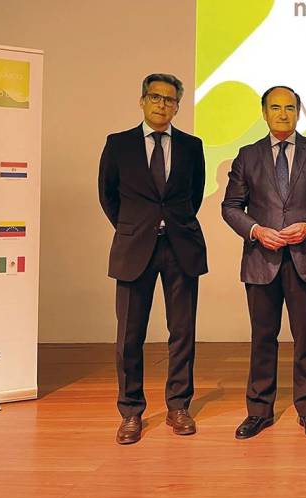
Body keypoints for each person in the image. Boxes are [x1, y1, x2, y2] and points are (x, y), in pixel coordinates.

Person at [222, 85, 306, 439]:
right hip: (261, 260)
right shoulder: (247, 155)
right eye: (275, 108)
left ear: (299, 111)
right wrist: (257, 230)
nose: (282, 114)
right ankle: (259, 411)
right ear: (264, 113)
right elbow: (230, 206)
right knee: (263, 337)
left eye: (289, 108)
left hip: (305, 259)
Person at [99, 73, 207, 445]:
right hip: (135, 248)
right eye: (155, 98)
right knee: (129, 334)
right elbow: (108, 196)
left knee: (182, 332)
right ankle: (131, 411)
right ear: (142, 100)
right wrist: (136, 227)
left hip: (181, 247)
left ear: (178, 105)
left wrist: (168, 224)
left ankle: (179, 406)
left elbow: (193, 196)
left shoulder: (193, 146)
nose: (162, 105)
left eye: (170, 100)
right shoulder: (119, 144)